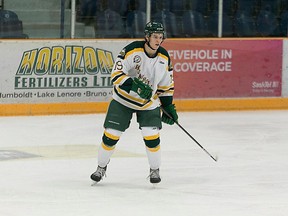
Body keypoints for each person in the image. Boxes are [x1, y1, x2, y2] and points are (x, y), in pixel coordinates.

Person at [90, 21, 178, 184]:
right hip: (122, 100)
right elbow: (115, 75)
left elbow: (166, 85)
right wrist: (135, 86)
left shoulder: (164, 57)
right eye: (155, 37)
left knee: (151, 136)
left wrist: (168, 106)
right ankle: (101, 167)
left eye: (160, 37)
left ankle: (154, 170)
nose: (158, 40)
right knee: (111, 135)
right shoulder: (132, 50)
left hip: (148, 103)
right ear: (147, 37)